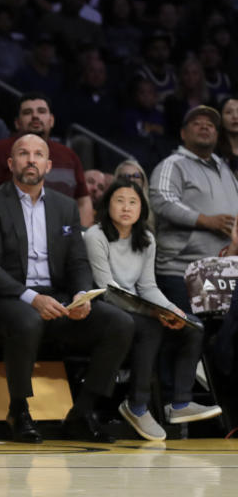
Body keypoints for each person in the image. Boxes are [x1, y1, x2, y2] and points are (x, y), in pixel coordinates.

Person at [0, 134, 134, 444]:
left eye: (37, 154)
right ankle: (19, 411)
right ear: (10, 163)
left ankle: (82, 413)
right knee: (27, 318)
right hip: (4, 300)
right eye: (23, 154)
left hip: (56, 298)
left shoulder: (66, 206)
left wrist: (80, 295)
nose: (30, 159)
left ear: (48, 165)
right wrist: (33, 298)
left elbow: (77, 263)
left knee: (120, 323)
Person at [84, 179, 221, 441]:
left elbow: (147, 286)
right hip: (105, 309)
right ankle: (136, 405)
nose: (126, 207)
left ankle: (179, 404)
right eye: (119, 201)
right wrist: (156, 313)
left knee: (192, 326)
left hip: (139, 307)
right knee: (152, 326)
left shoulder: (146, 238)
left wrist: (171, 309)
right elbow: (107, 289)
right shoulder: (95, 236)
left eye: (133, 202)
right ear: (107, 205)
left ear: (142, 209)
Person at [150, 105, 238, 313]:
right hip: (182, 269)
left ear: (217, 134)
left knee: (219, 336)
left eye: (210, 125)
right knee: (191, 334)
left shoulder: (224, 168)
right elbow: (162, 200)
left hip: (222, 269)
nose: (204, 127)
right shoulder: (172, 164)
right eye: (196, 124)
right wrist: (204, 220)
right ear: (183, 133)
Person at [0, 92, 93, 227]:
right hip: (12, 234)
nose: (35, 116)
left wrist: (82, 232)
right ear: (17, 123)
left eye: (41, 111)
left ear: (51, 120)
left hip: (63, 236)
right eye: (28, 112)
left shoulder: (69, 155)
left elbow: (83, 201)